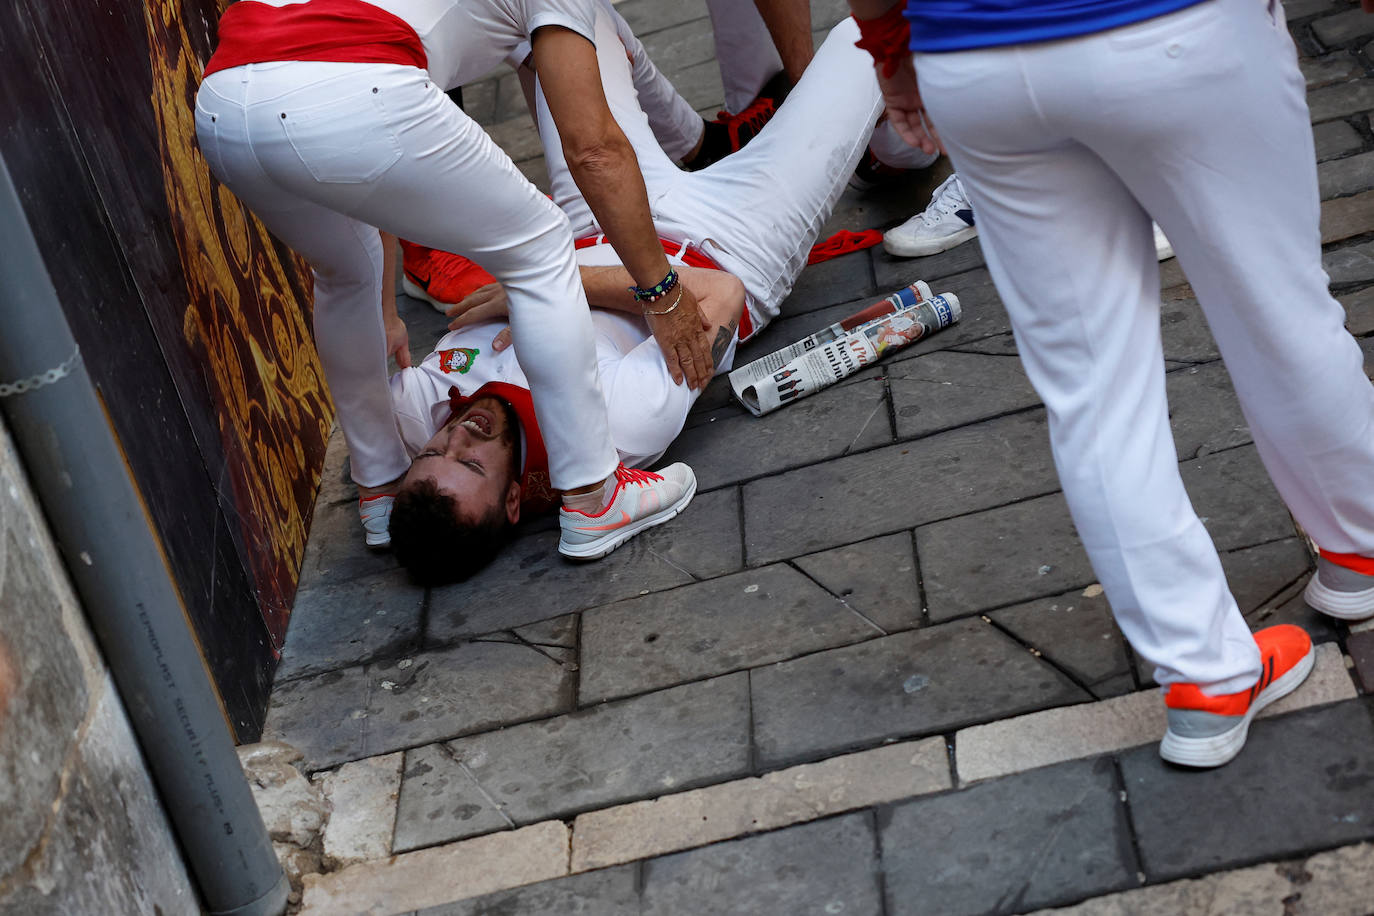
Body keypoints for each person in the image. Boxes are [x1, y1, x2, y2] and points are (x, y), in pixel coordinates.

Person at [848, 0, 1374, 768]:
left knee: (1090, 384)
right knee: (1280, 310)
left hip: (977, 62)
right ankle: (1360, 547)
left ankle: (1204, 675)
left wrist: (893, 55)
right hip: (1174, 34)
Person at [385, 9, 922, 581]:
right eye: (470, 462)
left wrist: (386, 312)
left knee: (563, 21)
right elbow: (722, 293)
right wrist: (540, 289)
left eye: (430, 452)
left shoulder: (418, 415)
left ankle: (697, 140)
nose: (458, 434)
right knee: (862, 39)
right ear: (515, 500)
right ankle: (899, 149)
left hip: (596, 212)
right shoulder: (620, 430)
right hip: (730, 238)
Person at [193, 0, 714, 559]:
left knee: (343, 273)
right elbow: (592, 149)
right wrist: (660, 290)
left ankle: (378, 486)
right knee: (539, 249)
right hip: (349, 90)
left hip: (224, 103)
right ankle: (593, 498)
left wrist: (387, 317)